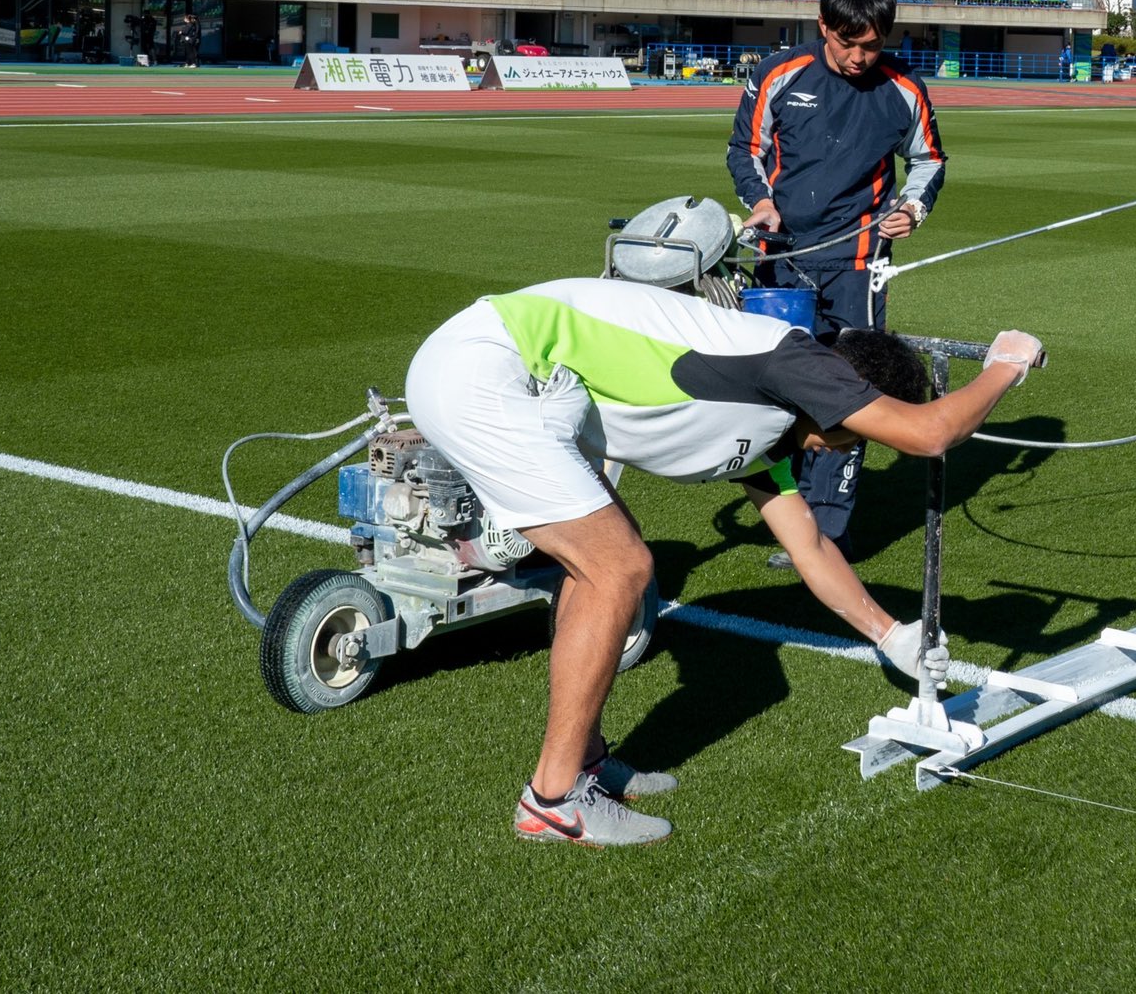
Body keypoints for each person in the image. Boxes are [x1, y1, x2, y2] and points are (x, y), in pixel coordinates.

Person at [406, 274, 1043, 845]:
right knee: (618, 568)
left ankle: (585, 763)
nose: (841, 449)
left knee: (605, 561)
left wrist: (890, 635)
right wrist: (1004, 366)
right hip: (489, 369)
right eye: (855, 432)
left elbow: (810, 545)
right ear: (844, 394)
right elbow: (930, 433)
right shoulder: (793, 361)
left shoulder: (773, 428)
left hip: (503, 376)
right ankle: (553, 802)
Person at [728, 0, 945, 566]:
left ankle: (828, 529)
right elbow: (745, 149)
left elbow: (928, 160)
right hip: (779, 256)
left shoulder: (904, 87)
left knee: (850, 386)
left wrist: (911, 209)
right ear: (823, 26)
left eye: (871, 46)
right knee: (775, 382)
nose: (857, 57)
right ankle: (788, 512)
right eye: (847, 43)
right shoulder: (778, 72)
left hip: (858, 261)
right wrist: (760, 200)